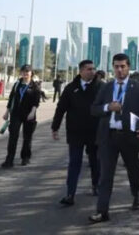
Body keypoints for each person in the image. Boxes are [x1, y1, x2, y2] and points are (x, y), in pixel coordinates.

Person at [88, 53, 139, 224]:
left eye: (123, 66)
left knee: (134, 170)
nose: (119, 70)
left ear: (128, 67)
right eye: (116, 66)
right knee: (105, 175)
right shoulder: (106, 87)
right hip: (108, 137)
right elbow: (94, 109)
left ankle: (136, 194)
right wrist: (108, 107)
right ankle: (102, 211)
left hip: (129, 137)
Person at [51, 60, 104, 205]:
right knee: (74, 162)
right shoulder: (71, 88)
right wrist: (55, 127)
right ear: (80, 71)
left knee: (96, 161)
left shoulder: (101, 87)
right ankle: (70, 193)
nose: (92, 71)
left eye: (93, 69)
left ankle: (95, 185)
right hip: (75, 132)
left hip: (95, 132)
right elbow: (61, 109)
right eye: (88, 69)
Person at [1, 64, 41, 168]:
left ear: (31, 73)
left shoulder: (35, 86)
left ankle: (25, 157)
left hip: (29, 114)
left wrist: (32, 112)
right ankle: (9, 160)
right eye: (23, 72)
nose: (25, 74)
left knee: (27, 137)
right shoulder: (17, 84)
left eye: (27, 72)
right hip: (16, 114)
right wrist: (7, 112)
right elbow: (11, 99)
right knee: (13, 137)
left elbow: (36, 102)